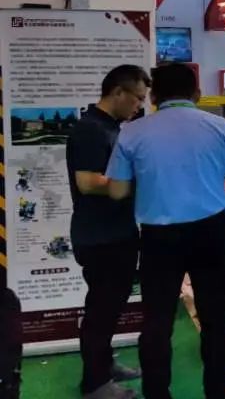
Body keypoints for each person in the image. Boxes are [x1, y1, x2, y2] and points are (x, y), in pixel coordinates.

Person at [106, 64, 225, 399]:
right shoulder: (220, 126)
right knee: (215, 318)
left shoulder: (132, 132)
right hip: (211, 232)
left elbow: (116, 191)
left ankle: (157, 393)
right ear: (196, 94)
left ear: (153, 97)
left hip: (158, 237)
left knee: (156, 322)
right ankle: (217, 392)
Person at [67, 65, 149, 399]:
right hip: (100, 237)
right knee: (101, 312)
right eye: (137, 98)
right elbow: (87, 182)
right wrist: (137, 183)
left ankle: (104, 364)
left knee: (110, 308)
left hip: (117, 233)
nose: (139, 106)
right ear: (118, 92)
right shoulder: (90, 129)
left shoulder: (112, 128)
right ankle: (95, 384)